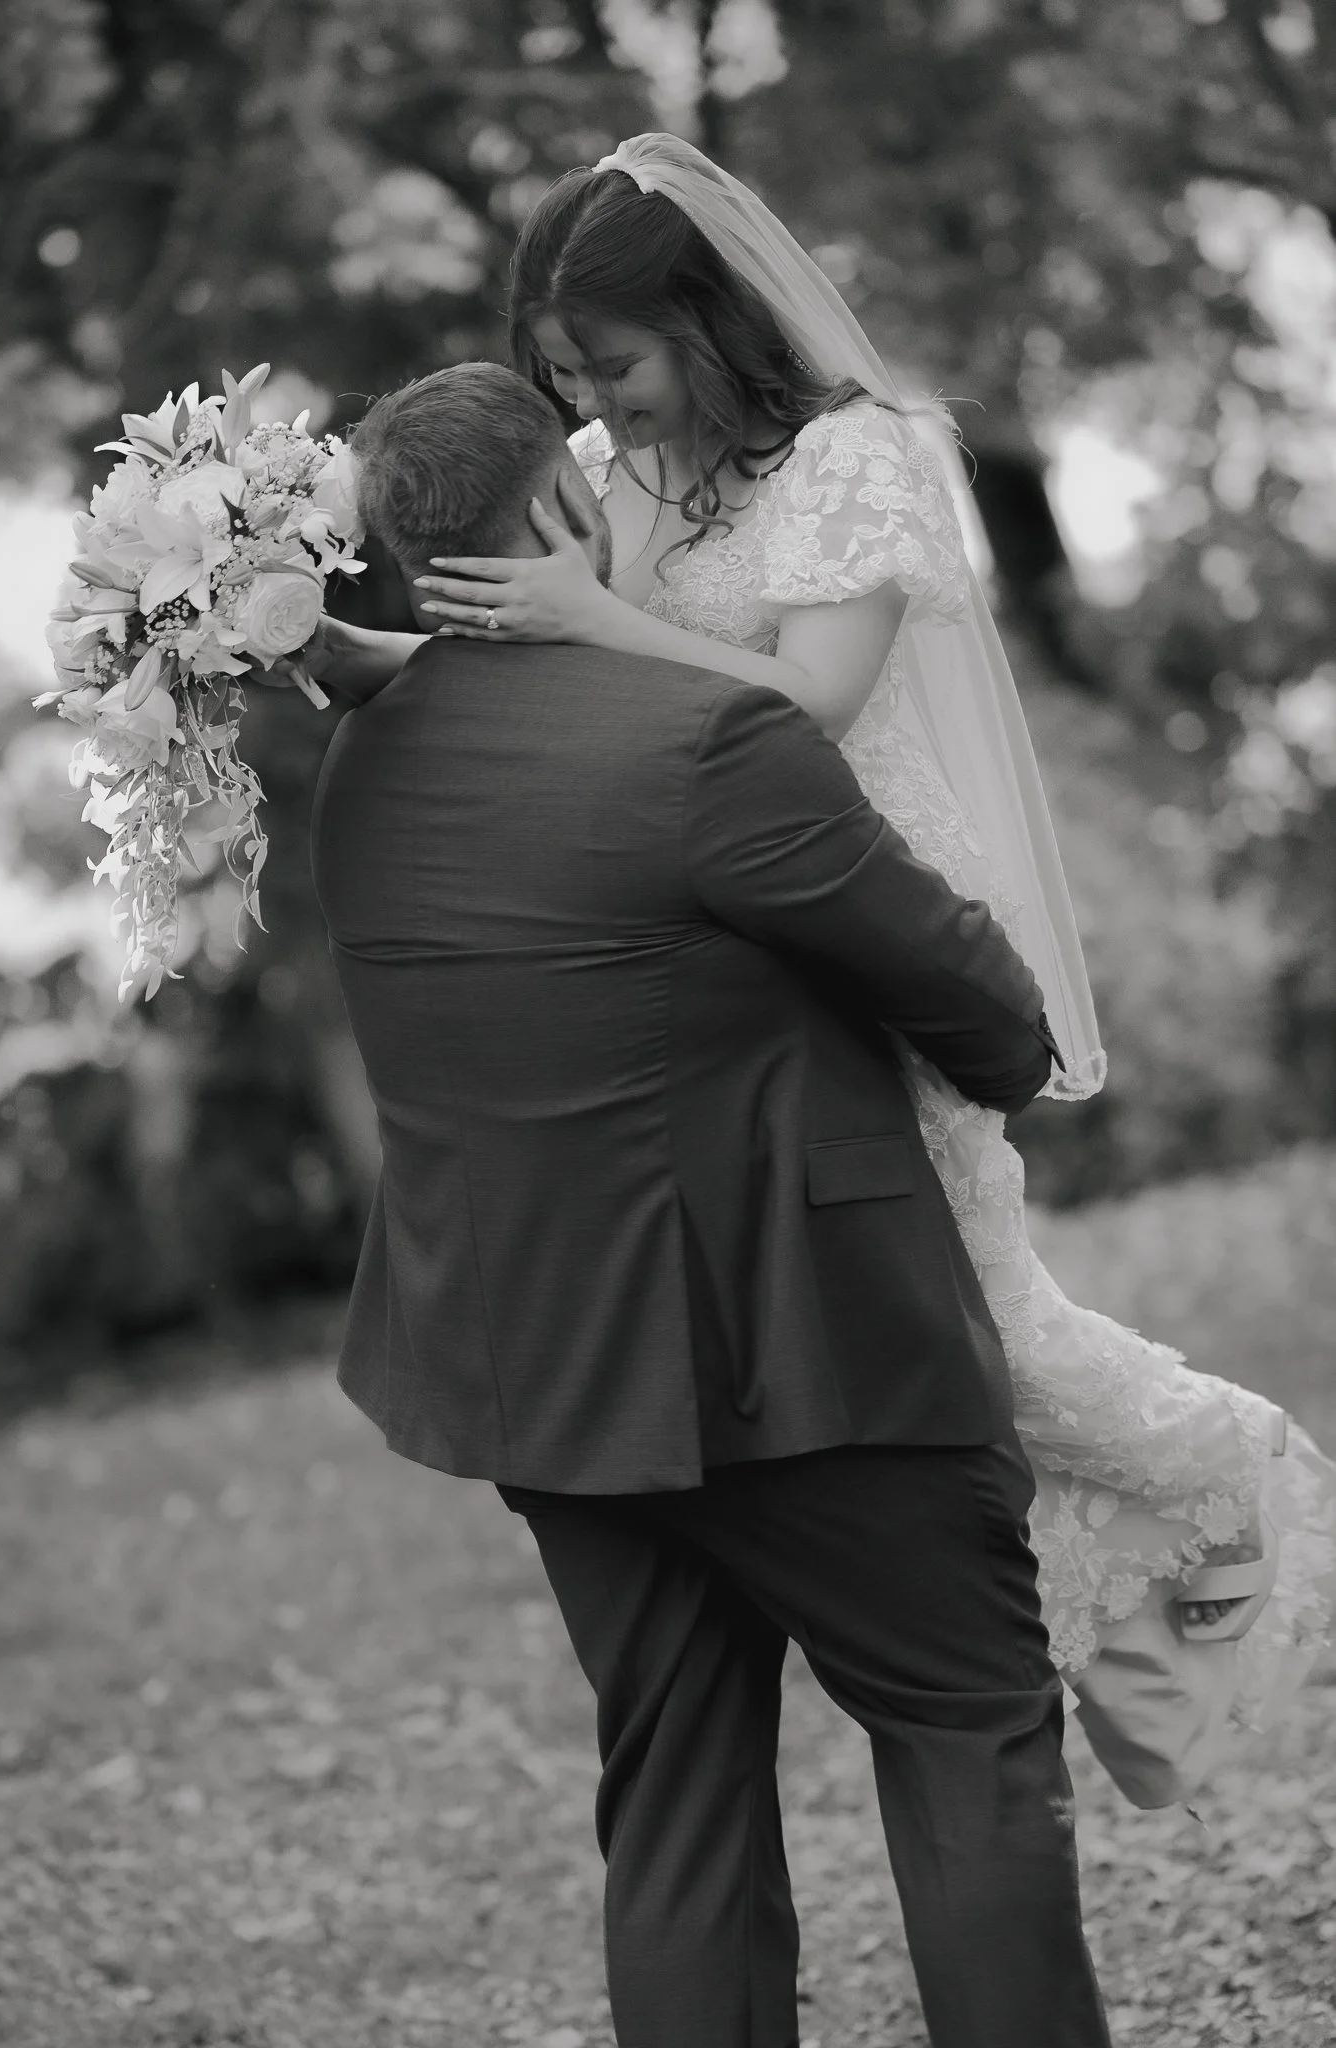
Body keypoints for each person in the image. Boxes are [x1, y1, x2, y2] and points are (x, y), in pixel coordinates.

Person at [308, 134, 1336, 1808]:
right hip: (727, 950)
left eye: (618, 364)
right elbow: (529, 675)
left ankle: (1238, 1491)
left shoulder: (862, 458)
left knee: (979, 1328)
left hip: (866, 910)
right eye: (565, 374)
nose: (598, 403)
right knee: (899, 1349)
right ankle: (1085, 1654)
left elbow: (805, 704)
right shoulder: (608, 474)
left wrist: (586, 621)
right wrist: (352, 654)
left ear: (709, 321)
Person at [310, 358, 1112, 2047]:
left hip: (546, 1377)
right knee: (967, 1725)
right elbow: (988, 1017)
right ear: (562, 511)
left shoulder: (367, 769)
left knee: (673, 1800)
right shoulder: (708, 735)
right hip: (808, 1354)